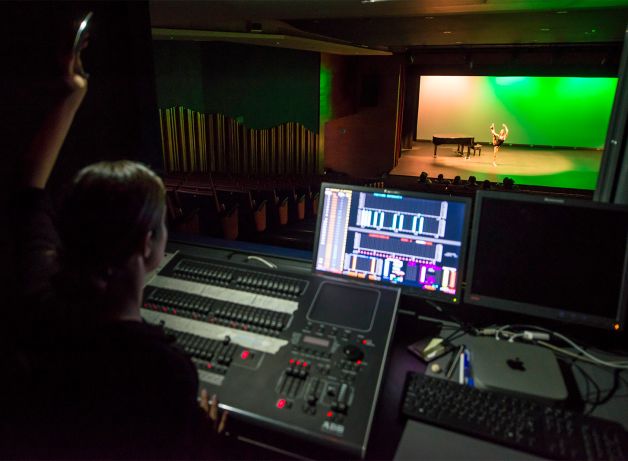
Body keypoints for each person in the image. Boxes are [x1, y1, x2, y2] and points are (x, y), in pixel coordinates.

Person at [9, 18, 228, 460]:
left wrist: (72, 94)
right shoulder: (165, 372)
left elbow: (26, 195)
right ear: (148, 244)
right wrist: (205, 437)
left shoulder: (40, 309)